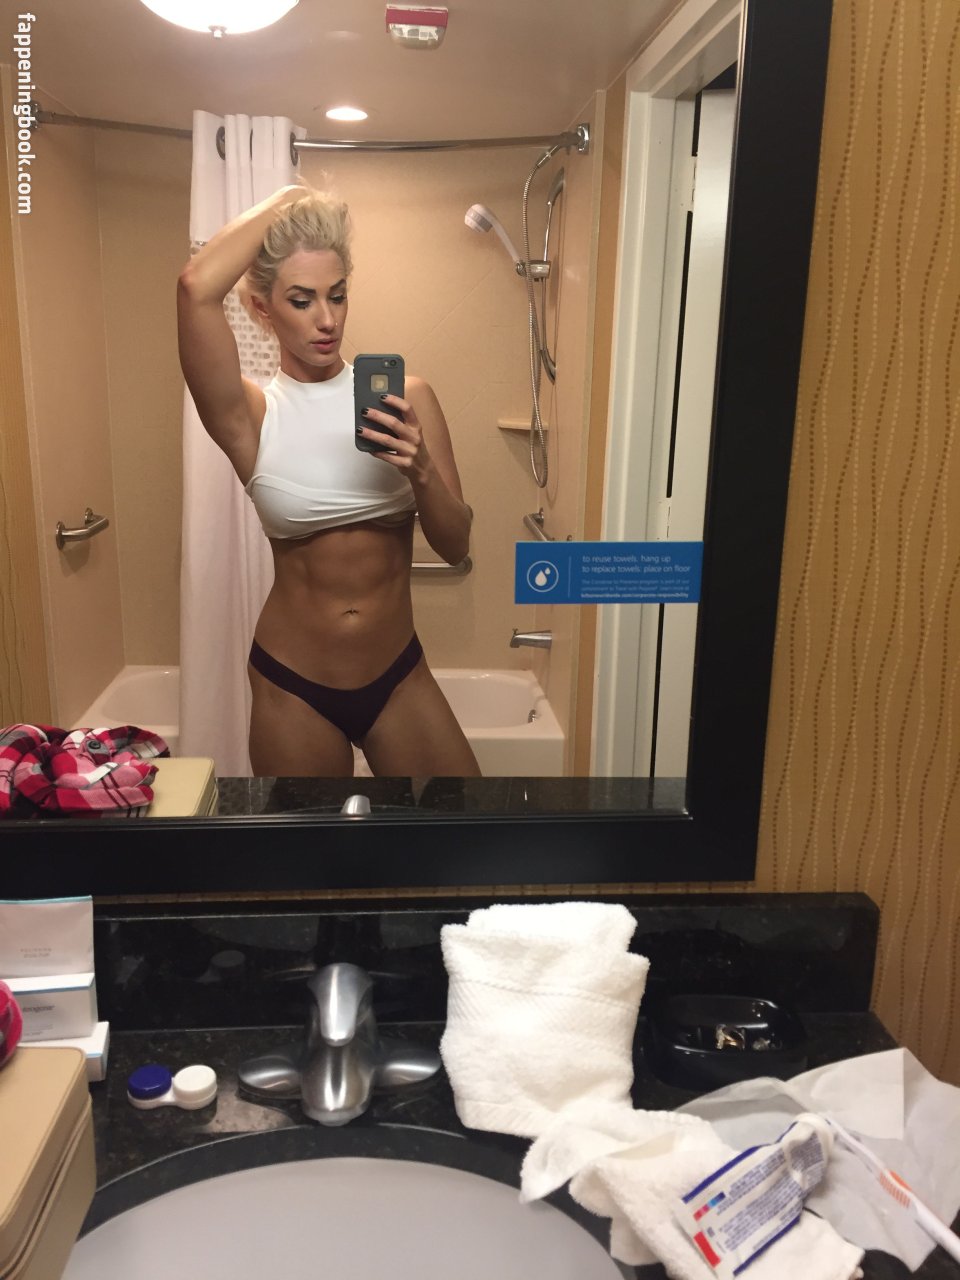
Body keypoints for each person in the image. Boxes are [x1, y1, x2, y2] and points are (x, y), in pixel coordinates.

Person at [177, 183, 481, 778]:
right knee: (311, 844)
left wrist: (421, 471)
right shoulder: (251, 415)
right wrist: (289, 199)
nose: (327, 319)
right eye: (302, 300)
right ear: (262, 309)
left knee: (461, 826)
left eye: (337, 295)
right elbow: (195, 287)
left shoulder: (409, 398)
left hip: (399, 676)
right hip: (293, 687)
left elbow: (456, 544)